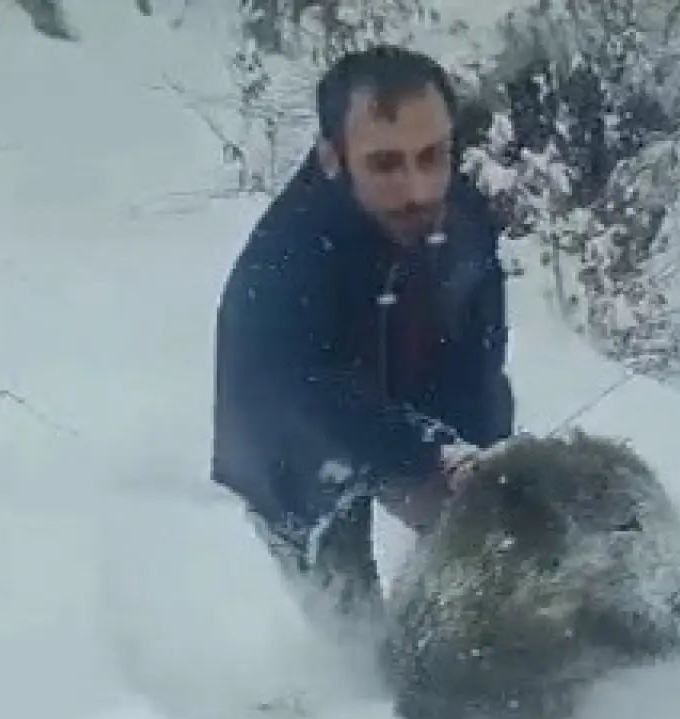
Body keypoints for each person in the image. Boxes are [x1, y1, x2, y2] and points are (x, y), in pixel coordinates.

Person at [210, 45, 515, 634]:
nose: (418, 188)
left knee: (476, 564)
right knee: (350, 623)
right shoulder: (286, 259)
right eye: (385, 164)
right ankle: (354, 680)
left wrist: (470, 462)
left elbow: (478, 359)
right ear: (333, 157)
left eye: (433, 156)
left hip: (406, 386)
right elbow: (304, 393)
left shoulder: (463, 216)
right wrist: (420, 456)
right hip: (292, 443)